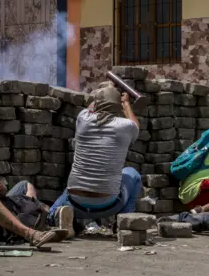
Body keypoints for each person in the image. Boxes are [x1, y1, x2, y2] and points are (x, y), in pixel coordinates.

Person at [49, 87, 142, 235]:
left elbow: (92, 106)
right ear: (117, 106)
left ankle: (59, 216)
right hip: (109, 204)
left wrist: (102, 91)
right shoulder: (126, 126)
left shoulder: (83, 119)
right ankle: (122, 222)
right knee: (133, 174)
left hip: (75, 202)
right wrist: (125, 103)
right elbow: (136, 125)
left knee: (68, 189)